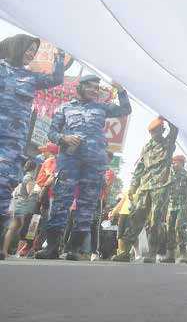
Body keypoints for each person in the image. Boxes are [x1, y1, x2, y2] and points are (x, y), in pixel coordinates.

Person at [36, 75, 131, 260]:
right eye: (91, 87)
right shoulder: (64, 108)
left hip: (94, 163)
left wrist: (120, 90)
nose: (95, 91)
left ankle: (74, 249)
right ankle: (52, 247)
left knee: (86, 205)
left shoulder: (102, 107)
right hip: (69, 160)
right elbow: (52, 132)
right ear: (80, 87)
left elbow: (126, 109)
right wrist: (63, 138)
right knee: (61, 202)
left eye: (97, 88)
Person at [0, 35, 66, 256]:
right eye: (28, 49)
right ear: (16, 47)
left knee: (4, 187)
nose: (31, 54)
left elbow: (57, 79)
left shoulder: (30, 76)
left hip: (14, 146)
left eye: (34, 51)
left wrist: (59, 55)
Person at [112, 117, 178, 263]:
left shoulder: (168, 143)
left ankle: (152, 252)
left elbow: (175, 130)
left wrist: (167, 117)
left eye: (158, 130)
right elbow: (140, 168)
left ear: (162, 130)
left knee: (156, 220)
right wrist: (133, 186)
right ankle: (124, 251)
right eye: (153, 131)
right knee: (136, 217)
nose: (155, 133)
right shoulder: (147, 146)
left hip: (161, 186)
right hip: (145, 186)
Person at [163, 156, 187, 263]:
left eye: (176, 162)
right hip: (171, 205)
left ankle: (183, 253)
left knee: (179, 228)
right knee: (170, 229)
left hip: (183, 205)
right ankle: (170, 254)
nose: (174, 164)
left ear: (182, 163)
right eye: (173, 162)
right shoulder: (170, 174)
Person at [2, 160, 38, 257]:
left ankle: (5, 250)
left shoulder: (23, 176)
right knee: (21, 228)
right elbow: (29, 192)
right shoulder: (30, 177)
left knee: (13, 228)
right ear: (35, 168)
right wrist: (37, 192)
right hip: (24, 206)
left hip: (18, 204)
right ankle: (12, 251)